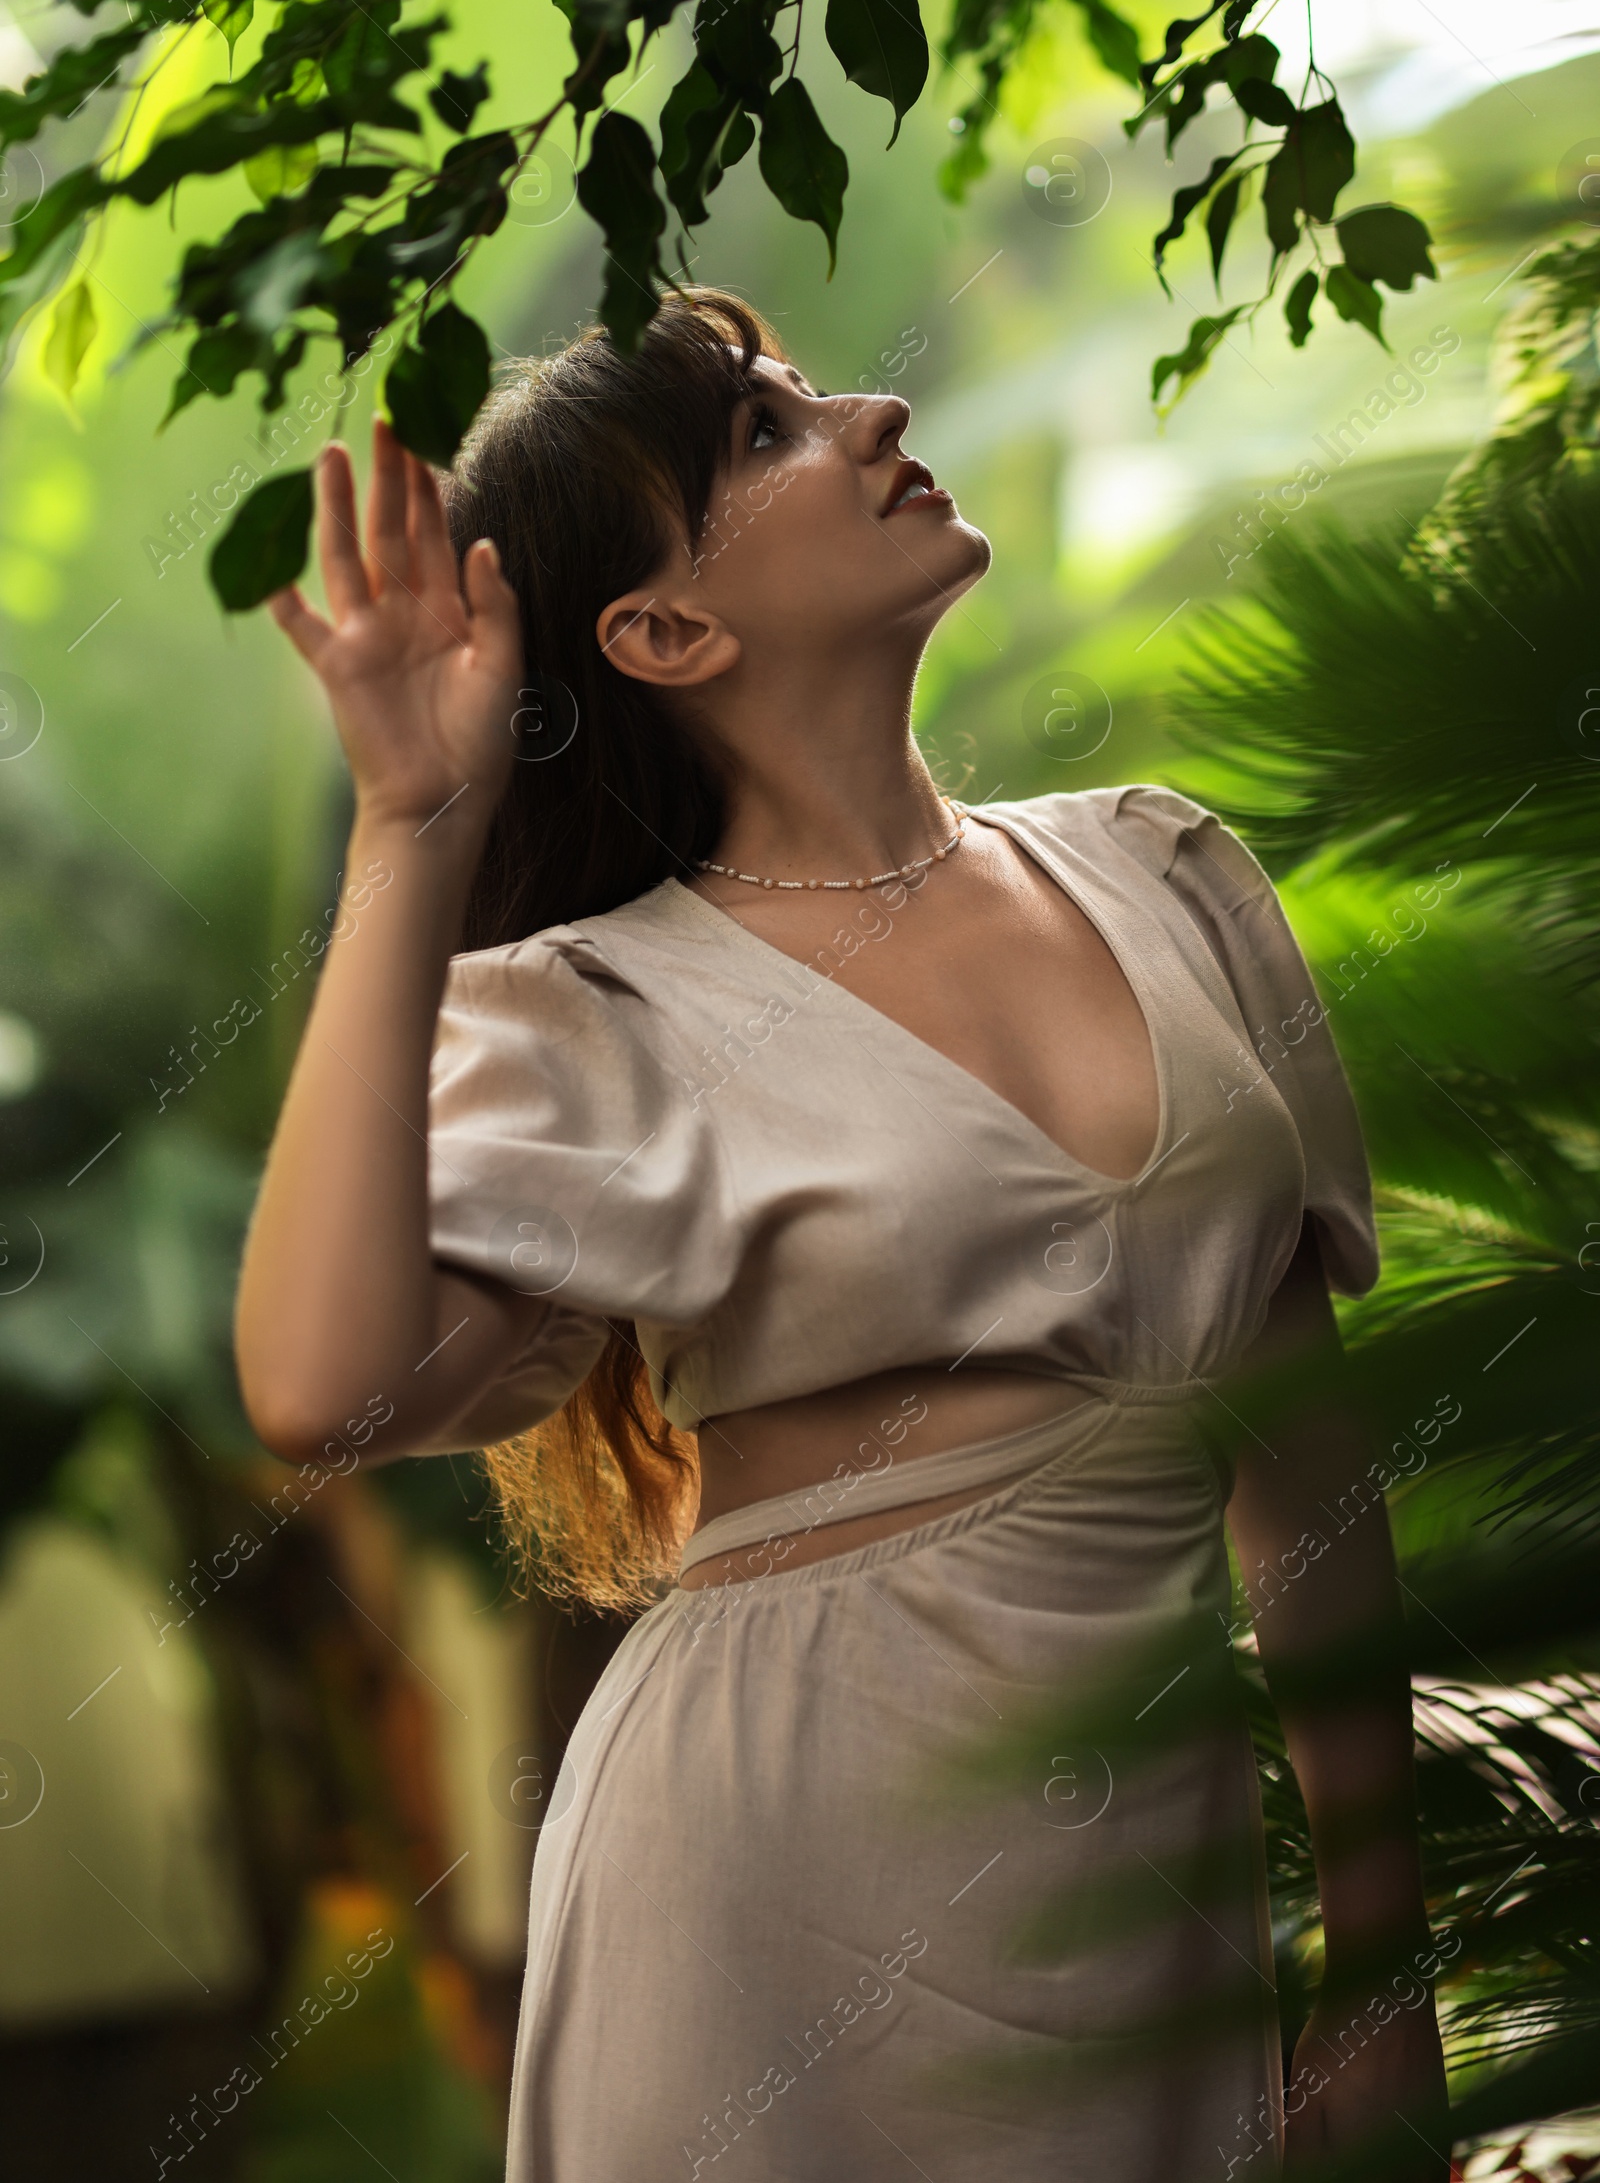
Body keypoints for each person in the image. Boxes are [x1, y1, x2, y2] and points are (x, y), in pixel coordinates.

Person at [235, 289, 1450, 2180]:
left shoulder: (1171, 878)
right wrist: (412, 824)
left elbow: (1308, 1488)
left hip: (1147, 1910)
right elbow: (318, 1388)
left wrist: (1380, 1962)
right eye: (764, 434)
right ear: (663, 629)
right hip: (752, 1919)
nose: (874, 412)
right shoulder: (599, 1016)